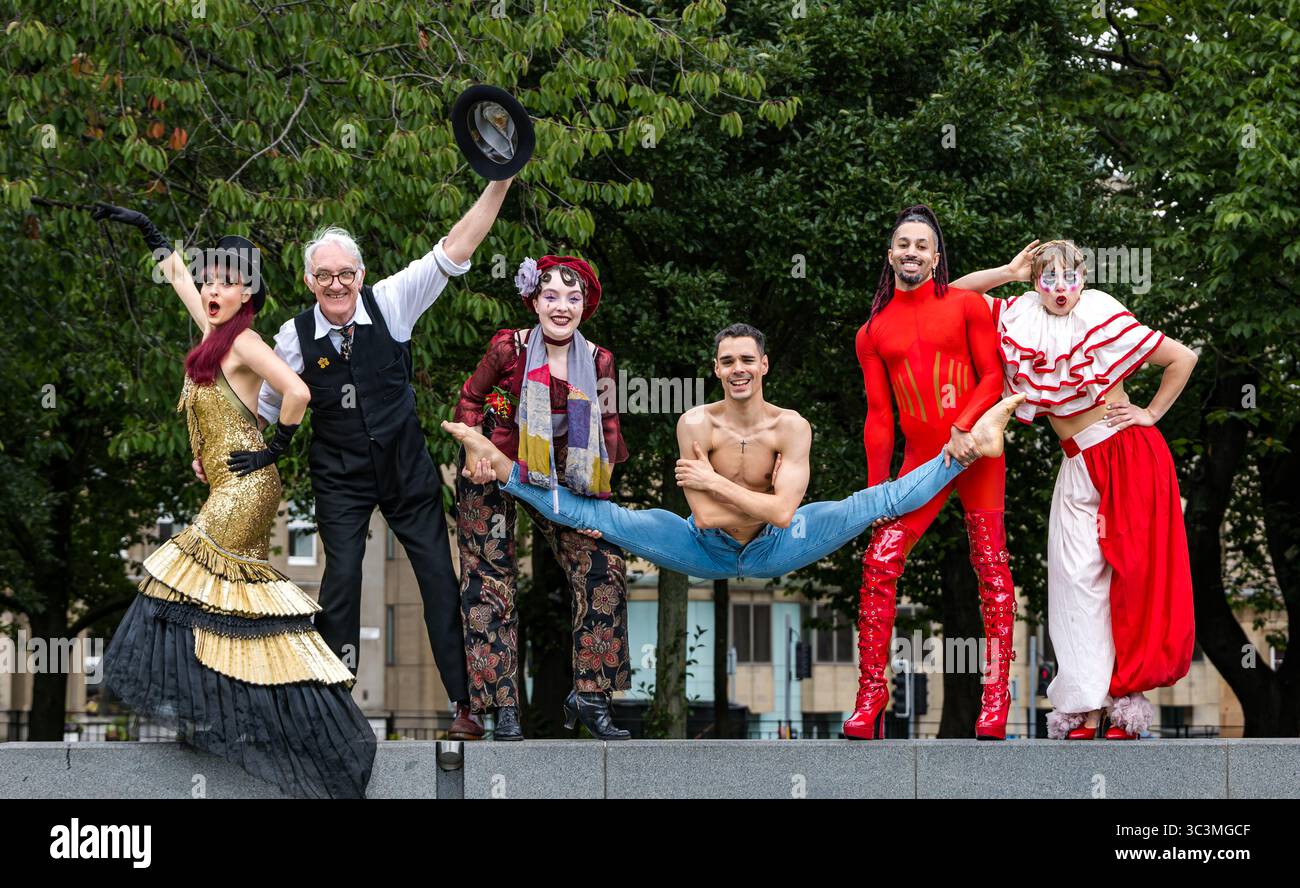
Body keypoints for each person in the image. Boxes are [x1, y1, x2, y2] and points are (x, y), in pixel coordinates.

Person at [94, 202, 375, 798]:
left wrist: (276, 446)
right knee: (227, 605)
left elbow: (296, 391)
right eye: (209, 279)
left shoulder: (243, 341)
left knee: (185, 580)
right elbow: (176, 278)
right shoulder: (212, 332)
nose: (210, 288)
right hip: (228, 481)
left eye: (224, 280)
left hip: (247, 485)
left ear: (247, 290)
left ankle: (225, 716)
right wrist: (148, 229)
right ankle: (233, 717)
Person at [447, 322, 1024, 609]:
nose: (738, 368)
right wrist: (739, 499)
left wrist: (717, 483)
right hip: (704, 549)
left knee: (875, 503)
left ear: (764, 364)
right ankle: (501, 465)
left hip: (782, 545)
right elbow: (701, 514)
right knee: (608, 518)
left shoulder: (791, 426)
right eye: (728, 362)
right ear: (716, 369)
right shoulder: (696, 423)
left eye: (748, 359)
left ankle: (969, 446)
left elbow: (780, 512)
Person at [256, 179, 513, 741]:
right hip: (340, 478)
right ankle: (332, 710)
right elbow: (265, 407)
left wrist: (500, 181)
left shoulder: (391, 301)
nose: (336, 284)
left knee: (439, 583)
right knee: (341, 582)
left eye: (346, 273)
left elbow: (456, 249)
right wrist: (223, 452)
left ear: (361, 275)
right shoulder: (293, 339)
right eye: (324, 276)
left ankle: (464, 706)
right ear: (309, 282)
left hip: (406, 473)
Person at [952, 239, 1197, 739]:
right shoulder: (1017, 314)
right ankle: (1086, 705)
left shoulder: (1101, 314)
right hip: (1077, 463)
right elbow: (953, 294)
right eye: (1047, 278)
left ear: (1083, 277)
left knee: (1132, 580)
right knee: (1072, 579)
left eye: (1069, 277)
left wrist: (1150, 413)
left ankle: (1125, 709)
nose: (1060, 288)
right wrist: (1008, 269)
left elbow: (1183, 358)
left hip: (1128, 454)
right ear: (1035, 282)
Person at [851, 205, 1019, 740]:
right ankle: (871, 695)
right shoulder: (873, 331)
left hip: (976, 454)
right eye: (904, 243)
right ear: (891, 253)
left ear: (935, 256)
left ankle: (996, 695)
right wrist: (878, 492)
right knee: (879, 561)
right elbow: (879, 417)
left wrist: (964, 428)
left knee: (990, 566)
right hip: (921, 462)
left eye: (922, 245)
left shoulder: (967, 306)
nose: (912, 252)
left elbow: (993, 376)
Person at [454, 255, 631, 740]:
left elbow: (609, 433)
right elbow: (470, 400)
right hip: (493, 466)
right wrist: (474, 450)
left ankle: (591, 697)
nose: (561, 306)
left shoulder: (599, 361)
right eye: (550, 295)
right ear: (533, 301)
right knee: (489, 580)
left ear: (585, 307)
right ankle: (503, 707)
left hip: (565, 480)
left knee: (603, 565)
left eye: (573, 298)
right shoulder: (508, 349)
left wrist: (600, 506)